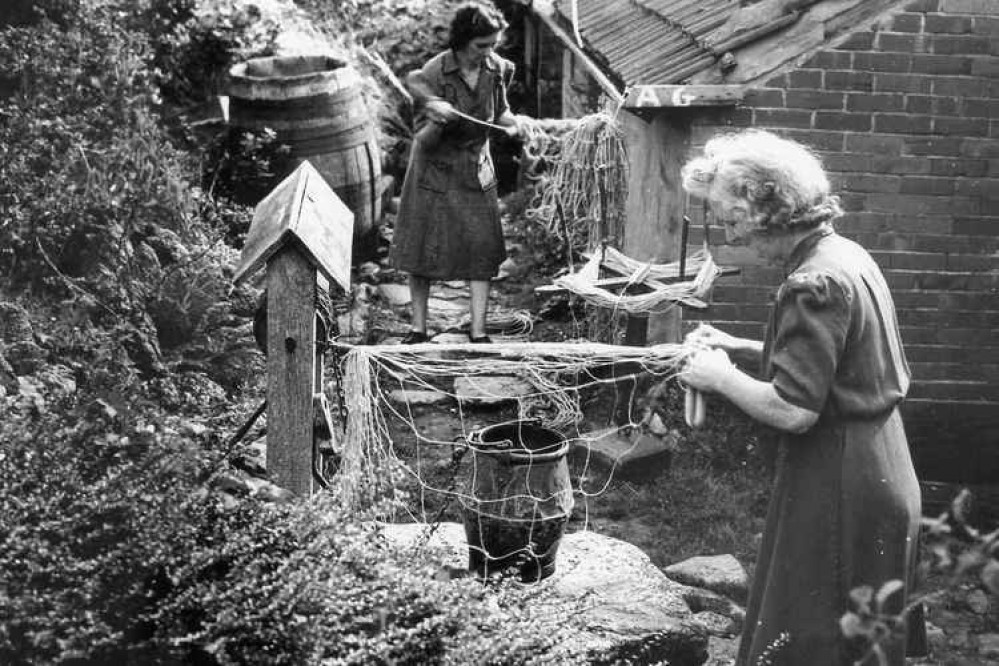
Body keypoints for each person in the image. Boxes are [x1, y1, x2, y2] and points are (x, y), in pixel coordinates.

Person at [677, 129, 923, 665]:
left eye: (731, 216)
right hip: (881, 464)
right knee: (856, 641)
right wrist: (735, 347)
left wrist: (719, 377)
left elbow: (794, 409)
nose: (729, 233)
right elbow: (835, 364)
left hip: (840, 481)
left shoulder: (813, 284)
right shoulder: (844, 255)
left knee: (815, 639)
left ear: (769, 205)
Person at [391, 2, 521, 344]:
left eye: (493, 44)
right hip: (433, 170)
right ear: (463, 42)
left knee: (482, 249)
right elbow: (422, 140)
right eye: (482, 46)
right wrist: (436, 115)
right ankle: (418, 329)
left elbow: (503, 113)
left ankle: (478, 332)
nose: (488, 52)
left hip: (476, 169)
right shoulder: (434, 73)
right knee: (422, 250)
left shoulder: (498, 70)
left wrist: (515, 126)